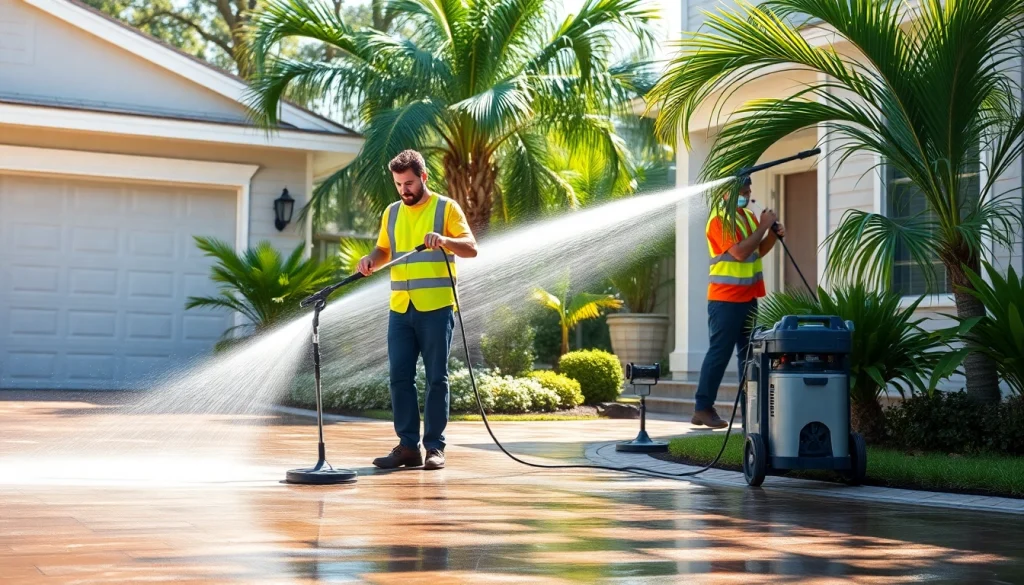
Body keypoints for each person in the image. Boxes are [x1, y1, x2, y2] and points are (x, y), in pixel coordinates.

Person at [358, 150, 478, 470]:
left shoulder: (445, 208)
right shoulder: (392, 213)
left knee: (436, 379)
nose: (404, 190)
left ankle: (435, 448)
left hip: (437, 308)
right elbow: (384, 249)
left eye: (409, 183)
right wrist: (371, 259)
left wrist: (445, 241)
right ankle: (407, 447)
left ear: (423, 177)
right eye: (398, 184)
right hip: (400, 308)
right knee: (399, 377)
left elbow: (471, 247)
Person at [692, 176, 785, 429]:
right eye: (744, 191)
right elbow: (740, 252)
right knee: (719, 354)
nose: (748, 194)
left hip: (748, 298)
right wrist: (764, 227)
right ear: (727, 194)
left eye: (749, 190)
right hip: (725, 300)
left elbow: (755, 251)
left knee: (749, 359)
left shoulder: (747, 217)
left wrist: (773, 236)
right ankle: (702, 408)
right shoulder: (719, 220)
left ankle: (750, 417)